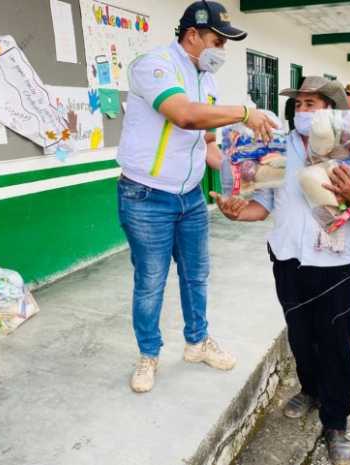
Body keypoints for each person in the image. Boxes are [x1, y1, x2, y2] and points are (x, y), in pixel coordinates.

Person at [212, 76, 350, 465]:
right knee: (301, 337)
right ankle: (310, 389)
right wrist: (237, 213)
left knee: (335, 346)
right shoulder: (278, 151)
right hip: (287, 260)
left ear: (332, 112)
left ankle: (336, 422)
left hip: (336, 266)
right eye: (298, 104)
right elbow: (264, 206)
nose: (302, 112)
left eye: (312, 104)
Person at [116, 0, 278, 394]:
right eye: (217, 41)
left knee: (196, 275)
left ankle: (197, 342)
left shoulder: (204, 78)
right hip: (146, 196)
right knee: (151, 280)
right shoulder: (154, 66)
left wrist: (230, 189)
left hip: (189, 197)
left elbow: (204, 141)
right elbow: (184, 115)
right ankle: (149, 355)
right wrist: (245, 112)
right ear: (192, 36)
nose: (222, 50)